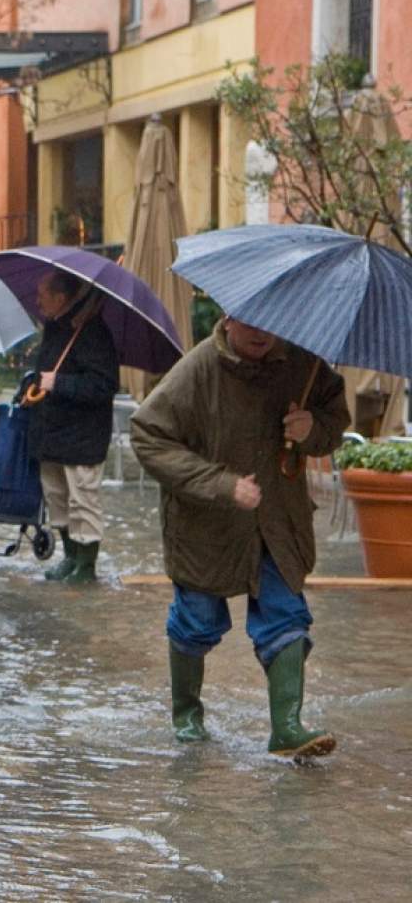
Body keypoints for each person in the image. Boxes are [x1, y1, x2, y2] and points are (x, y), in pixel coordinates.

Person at [130, 316, 349, 759]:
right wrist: (219, 484)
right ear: (228, 318)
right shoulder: (197, 370)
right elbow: (148, 435)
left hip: (277, 522)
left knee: (287, 616)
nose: (261, 333)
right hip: (204, 526)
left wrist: (312, 431)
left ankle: (287, 728)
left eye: (270, 324)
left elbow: (334, 421)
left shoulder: (304, 365)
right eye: (250, 323)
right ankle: (187, 716)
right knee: (196, 622)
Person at [27, 270, 119, 583]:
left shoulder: (92, 332)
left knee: (83, 500)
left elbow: (104, 384)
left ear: (61, 297)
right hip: (51, 433)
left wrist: (60, 383)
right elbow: (45, 373)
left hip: (82, 437)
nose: (37, 300)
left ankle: (86, 567)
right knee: (58, 498)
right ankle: (69, 557)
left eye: (43, 294)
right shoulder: (55, 329)